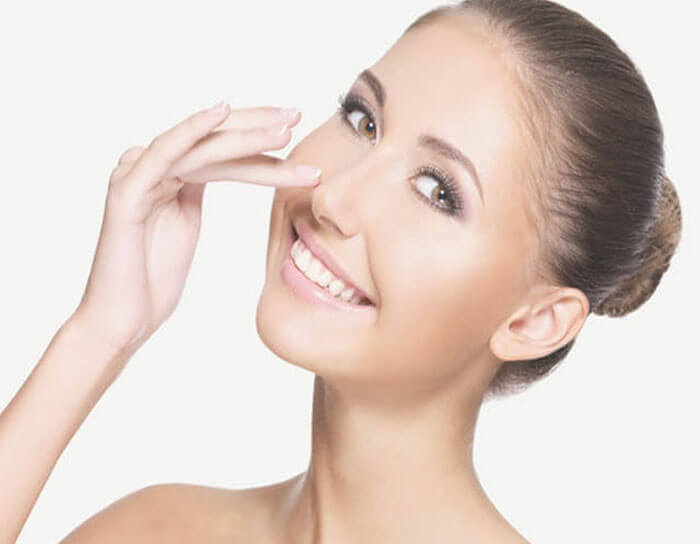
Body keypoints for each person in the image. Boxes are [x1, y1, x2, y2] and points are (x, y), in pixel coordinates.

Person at [0, 0, 683, 542]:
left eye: (437, 190)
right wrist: (98, 335)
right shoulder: (149, 531)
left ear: (535, 320)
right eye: (363, 120)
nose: (332, 197)